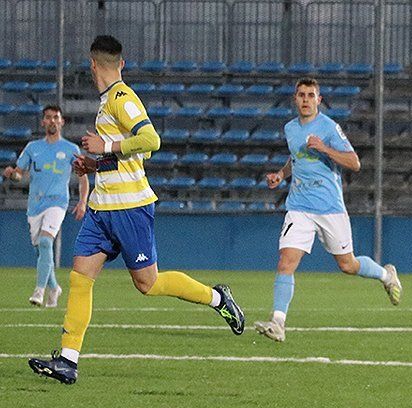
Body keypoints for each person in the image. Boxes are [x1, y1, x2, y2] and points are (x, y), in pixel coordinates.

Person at [27, 35, 245, 385]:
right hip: (102, 208)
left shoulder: (122, 98)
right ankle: (68, 360)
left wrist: (105, 144)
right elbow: (128, 157)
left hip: (130, 208)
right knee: (80, 278)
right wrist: (94, 166)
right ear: (121, 63)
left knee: (148, 283)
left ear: (92, 64)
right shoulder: (106, 103)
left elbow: (150, 140)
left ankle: (218, 297)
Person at [254, 78, 402, 342]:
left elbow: (354, 163)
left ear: (319, 100)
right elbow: (295, 157)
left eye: (311, 95)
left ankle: (385, 274)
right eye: (301, 95)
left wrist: (324, 148)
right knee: (286, 262)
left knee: (348, 264)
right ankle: (278, 322)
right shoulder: (290, 128)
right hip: (299, 207)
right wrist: (281, 174)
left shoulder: (330, 128)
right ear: (295, 99)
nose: (306, 100)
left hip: (330, 209)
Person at [3, 105, 88, 307]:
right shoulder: (33, 148)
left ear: (62, 121)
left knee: (45, 242)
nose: (52, 121)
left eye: (55, 117)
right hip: (35, 205)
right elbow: (19, 174)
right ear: (43, 122)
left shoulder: (71, 149)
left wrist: (83, 201)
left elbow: (83, 178)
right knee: (41, 251)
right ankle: (54, 287)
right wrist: (11, 174)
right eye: (48, 117)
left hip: (57, 203)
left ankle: (39, 291)